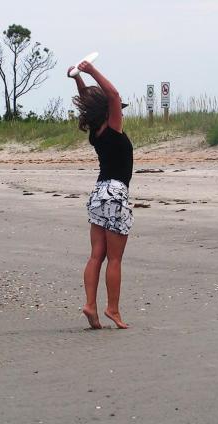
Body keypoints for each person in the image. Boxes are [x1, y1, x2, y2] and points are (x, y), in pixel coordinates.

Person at [67, 61, 133, 329]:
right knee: (114, 258)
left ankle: (90, 305)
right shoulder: (113, 127)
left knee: (96, 255)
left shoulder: (96, 131)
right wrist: (90, 70)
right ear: (108, 110)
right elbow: (114, 96)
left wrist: (77, 79)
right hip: (116, 193)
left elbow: (90, 103)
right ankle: (113, 309)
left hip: (98, 193)